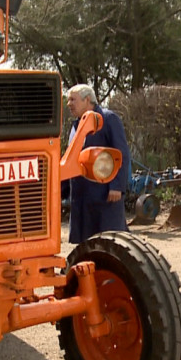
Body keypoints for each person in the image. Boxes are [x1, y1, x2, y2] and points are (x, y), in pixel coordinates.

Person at [63, 84, 131, 243]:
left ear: (87, 100)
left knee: (110, 243)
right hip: (81, 198)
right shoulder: (75, 126)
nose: (69, 104)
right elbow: (70, 160)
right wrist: (62, 192)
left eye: (73, 100)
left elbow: (122, 154)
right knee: (86, 245)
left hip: (104, 196)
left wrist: (117, 186)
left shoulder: (108, 119)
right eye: (68, 100)